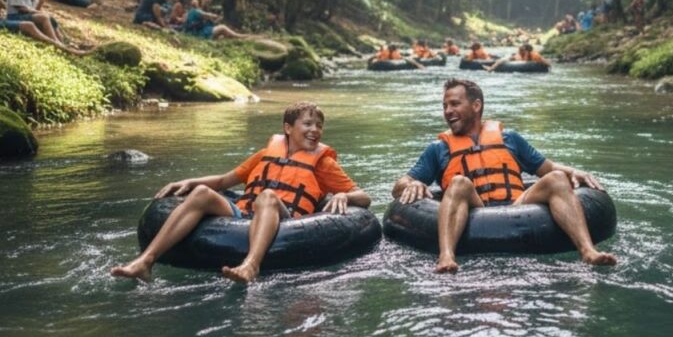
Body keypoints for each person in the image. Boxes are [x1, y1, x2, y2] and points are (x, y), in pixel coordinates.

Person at [111, 102, 371, 283]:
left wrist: (343, 195)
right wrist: (189, 181)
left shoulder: (323, 163)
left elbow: (364, 198)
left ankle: (250, 265)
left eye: (319, 126)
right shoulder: (265, 155)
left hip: (286, 218)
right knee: (202, 193)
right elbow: (225, 180)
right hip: (243, 213)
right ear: (288, 128)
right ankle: (145, 262)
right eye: (308, 124)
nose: (315, 130)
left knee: (267, 197)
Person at [392, 79, 617, 273]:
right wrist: (413, 184)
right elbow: (400, 184)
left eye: (455, 104)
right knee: (459, 182)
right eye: (444, 106)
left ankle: (588, 252)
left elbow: (547, 168)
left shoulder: (509, 138)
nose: (448, 111)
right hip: (475, 206)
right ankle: (447, 257)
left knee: (558, 178)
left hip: (517, 204)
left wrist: (573, 171)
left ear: (476, 105)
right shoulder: (438, 148)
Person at [181, 0, 250, 40]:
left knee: (221, 35)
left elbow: (184, 21)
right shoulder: (195, 11)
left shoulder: (189, 12)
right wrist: (215, 16)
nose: (194, 1)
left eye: (196, 0)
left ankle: (237, 37)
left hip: (196, 32)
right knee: (222, 27)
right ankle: (238, 36)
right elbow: (208, 15)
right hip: (199, 34)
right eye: (194, 0)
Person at [484, 42, 549, 72]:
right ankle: (491, 68)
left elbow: (546, 63)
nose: (521, 51)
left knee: (501, 60)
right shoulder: (518, 55)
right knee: (501, 60)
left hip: (531, 66)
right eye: (521, 50)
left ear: (526, 50)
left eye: (523, 50)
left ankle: (491, 68)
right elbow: (508, 59)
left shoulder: (535, 56)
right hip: (517, 62)